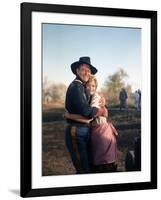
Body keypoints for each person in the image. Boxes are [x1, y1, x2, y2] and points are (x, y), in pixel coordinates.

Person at [64, 75, 118, 173]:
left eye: (93, 86)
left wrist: (69, 116)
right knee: (97, 160)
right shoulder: (89, 98)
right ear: (85, 87)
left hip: (102, 132)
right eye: (88, 86)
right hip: (98, 131)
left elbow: (88, 118)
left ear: (96, 87)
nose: (90, 88)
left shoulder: (95, 98)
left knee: (103, 161)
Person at [65, 57, 107, 174]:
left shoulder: (83, 87)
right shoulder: (76, 87)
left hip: (84, 130)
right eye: (83, 69)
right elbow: (87, 113)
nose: (87, 73)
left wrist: (100, 106)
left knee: (88, 165)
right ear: (77, 71)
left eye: (89, 70)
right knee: (83, 169)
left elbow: (92, 113)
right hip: (76, 131)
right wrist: (97, 108)